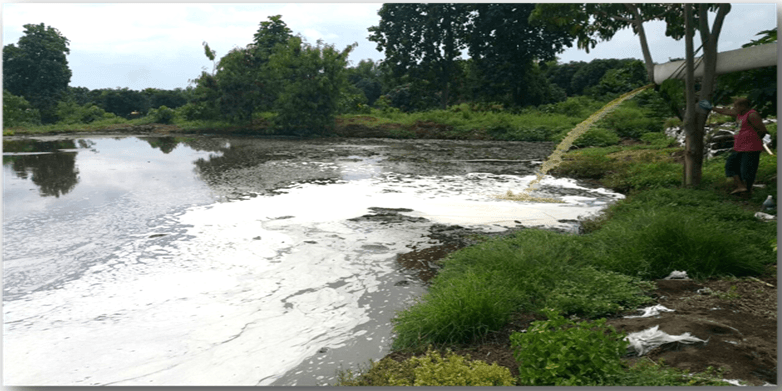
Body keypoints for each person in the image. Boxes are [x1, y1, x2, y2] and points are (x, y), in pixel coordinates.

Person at [711, 97, 768, 194]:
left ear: (743, 106)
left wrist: (753, 139)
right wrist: (711, 108)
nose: (734, 108)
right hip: (739, 147)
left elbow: (762, 130)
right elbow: (725, 111)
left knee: (747, 170)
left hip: (750, 147)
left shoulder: (752, 115)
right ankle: (740, 186)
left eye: (736, 106)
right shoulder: (739, 114)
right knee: (731, 166)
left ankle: (747, 192)